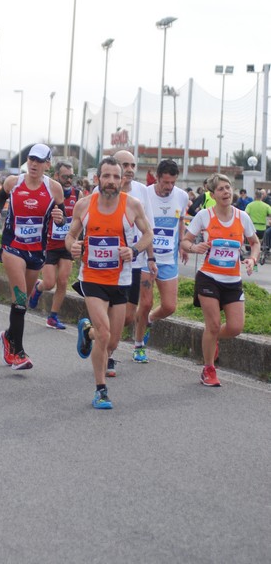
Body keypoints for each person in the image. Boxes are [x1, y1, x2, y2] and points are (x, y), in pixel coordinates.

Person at [65, 156, 153, 410]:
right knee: (104, 333)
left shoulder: (132, 205)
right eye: (107, 176)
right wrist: (74, 246)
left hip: (121, 278)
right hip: (91, 277)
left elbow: (148, 234)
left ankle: (86, 331)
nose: (112, 181)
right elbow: (70, 236)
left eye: (117, 177)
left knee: (112, 342)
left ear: (123, 179)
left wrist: (134, 251)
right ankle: (101, 390)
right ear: (98, 179)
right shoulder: (84, 205)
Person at [0, 144, 66, 370]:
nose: (33, 164)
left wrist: (60, 218)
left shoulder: (54, 188)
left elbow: (63, 218)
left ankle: (8, 337)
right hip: (12, 246)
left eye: (39, 161)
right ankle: (18, 353)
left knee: (23, 302)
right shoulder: (15, 182)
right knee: (20, 298)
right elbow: (0, 195)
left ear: (47, 165)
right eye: (31, 159)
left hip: (37, 250)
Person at [180, 173, 260, 387]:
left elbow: (255, 242)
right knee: (213, 324)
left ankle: (211, 339)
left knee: (235, 328)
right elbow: (185, 241)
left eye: (228, 188)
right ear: (213, 194)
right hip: (208, 278)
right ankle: (208, 369)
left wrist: (252, 259)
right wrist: (194, 247)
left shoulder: (242, 217)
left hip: (233, 279)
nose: (226, 192)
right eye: (221, 189)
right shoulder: (204, 216)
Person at [105, 150, 156, 376]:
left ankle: (92, 333)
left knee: (126, 316)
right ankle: (107, 356)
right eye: (125, 164)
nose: (130, 169)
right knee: (108, 313)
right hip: (106, 264)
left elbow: (148, 229)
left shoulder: (142, 192)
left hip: (134, 263)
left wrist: (150, 258)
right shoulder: (103, 192)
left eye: (133, 164)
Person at [134, 159, 189, 363]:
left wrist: (182, 242)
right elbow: (144, 228)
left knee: (169, 306)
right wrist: (149, 256)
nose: (169, 187)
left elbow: (181, 219)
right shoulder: (145, 195)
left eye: (172, 183)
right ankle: (139, 345)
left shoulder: (181, 196)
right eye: (165, 182)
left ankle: (147, 321)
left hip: (168, 260)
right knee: (146, 302)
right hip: (145, 259)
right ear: (157, 178)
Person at [28, 160, 83, 329]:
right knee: (50, 282)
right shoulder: (49, 192)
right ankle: (38, 287)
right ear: (56, 176)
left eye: (71, 176)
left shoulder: (77, 194)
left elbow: (80, 219)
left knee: (63, 281)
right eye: (65, 176)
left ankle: (52, 316)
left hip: (66, 244)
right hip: (49, 244)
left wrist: (77, 241)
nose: (68, 180)